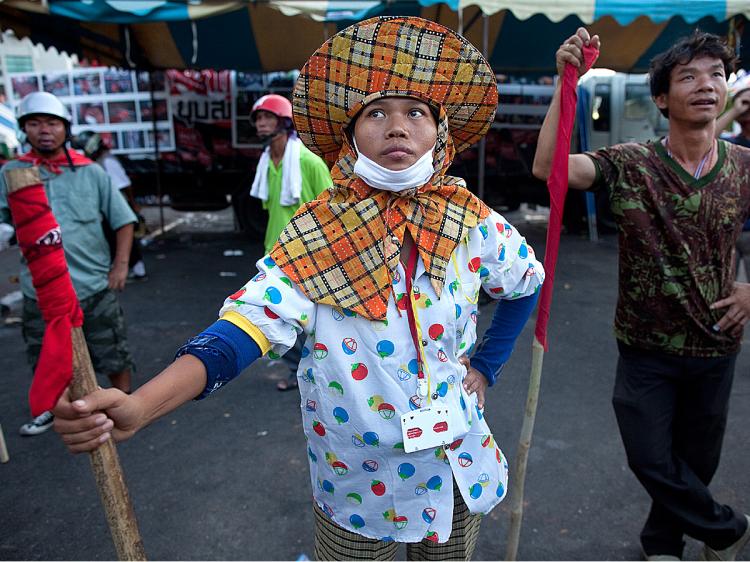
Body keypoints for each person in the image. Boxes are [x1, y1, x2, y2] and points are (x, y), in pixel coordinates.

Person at [53, 16, 544, 560]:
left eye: (416, 112)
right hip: (359, 485)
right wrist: (141, 405)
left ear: (440, 132)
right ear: (350, 137)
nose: (397, 127)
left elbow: (526, 282)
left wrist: (486, 367)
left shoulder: (472, 223)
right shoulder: (318, 232)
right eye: (375, 113)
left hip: (455, 465)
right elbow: (244, 328)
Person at [533, 29, 750, 561]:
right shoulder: (630, 163)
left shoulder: (744, 167)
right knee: (652, 458)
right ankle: (728, 530)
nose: (707, 85)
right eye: (689, 76)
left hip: (715, 342)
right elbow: (550, 169)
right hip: (644, 344)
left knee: (695, 463)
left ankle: (663, 543)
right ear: (661, 98)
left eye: (716, 75)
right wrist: (568, 86)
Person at [0, 92, 138, 436]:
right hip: (39, 290)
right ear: (24, 130)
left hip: (92, 286)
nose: (44, 130)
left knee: (112, 352)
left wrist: (121, 265)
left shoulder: (90, 172)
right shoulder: (13, 174)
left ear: (65, 129)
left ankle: (124, 404)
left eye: (52, 123)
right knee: (46, 357)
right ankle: (53, 410)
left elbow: (123, 220)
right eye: (35, 123)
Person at [248, 93, 331, 391]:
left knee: (311, 319)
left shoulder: (309, 161)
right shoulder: (266, 161)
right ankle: (299, 370)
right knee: (279, 315)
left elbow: (333, 209)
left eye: (267, 117)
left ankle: (317, 372)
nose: (261, 123)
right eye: (258, 118)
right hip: (274, 253)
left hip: (308, 254)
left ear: (283, 121)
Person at [73, 130, 147, 281]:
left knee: (122, 238)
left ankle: (137, 269)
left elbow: (124, 185)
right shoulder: (99, 161)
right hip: (109, 207)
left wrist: (132, 205)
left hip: (117, 206)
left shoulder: (107, 161)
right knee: (111, 238)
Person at [715, 80, 750, 281]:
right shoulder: (731, 144)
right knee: (724, 288)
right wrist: (735, 110)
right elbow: (708, 139)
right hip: (729, 228)